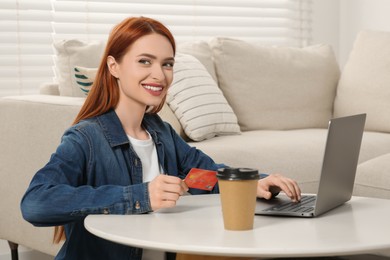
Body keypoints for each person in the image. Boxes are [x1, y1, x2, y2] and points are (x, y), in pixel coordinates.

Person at [20, 16, 301, 260]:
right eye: (145, 61)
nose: (159, 74)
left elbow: (203, 176)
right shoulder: (86, 138)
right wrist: (141, 196)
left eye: (167, 64)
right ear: (113, 66)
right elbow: (35, 203)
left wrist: (254, 183)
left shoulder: (161, 132)